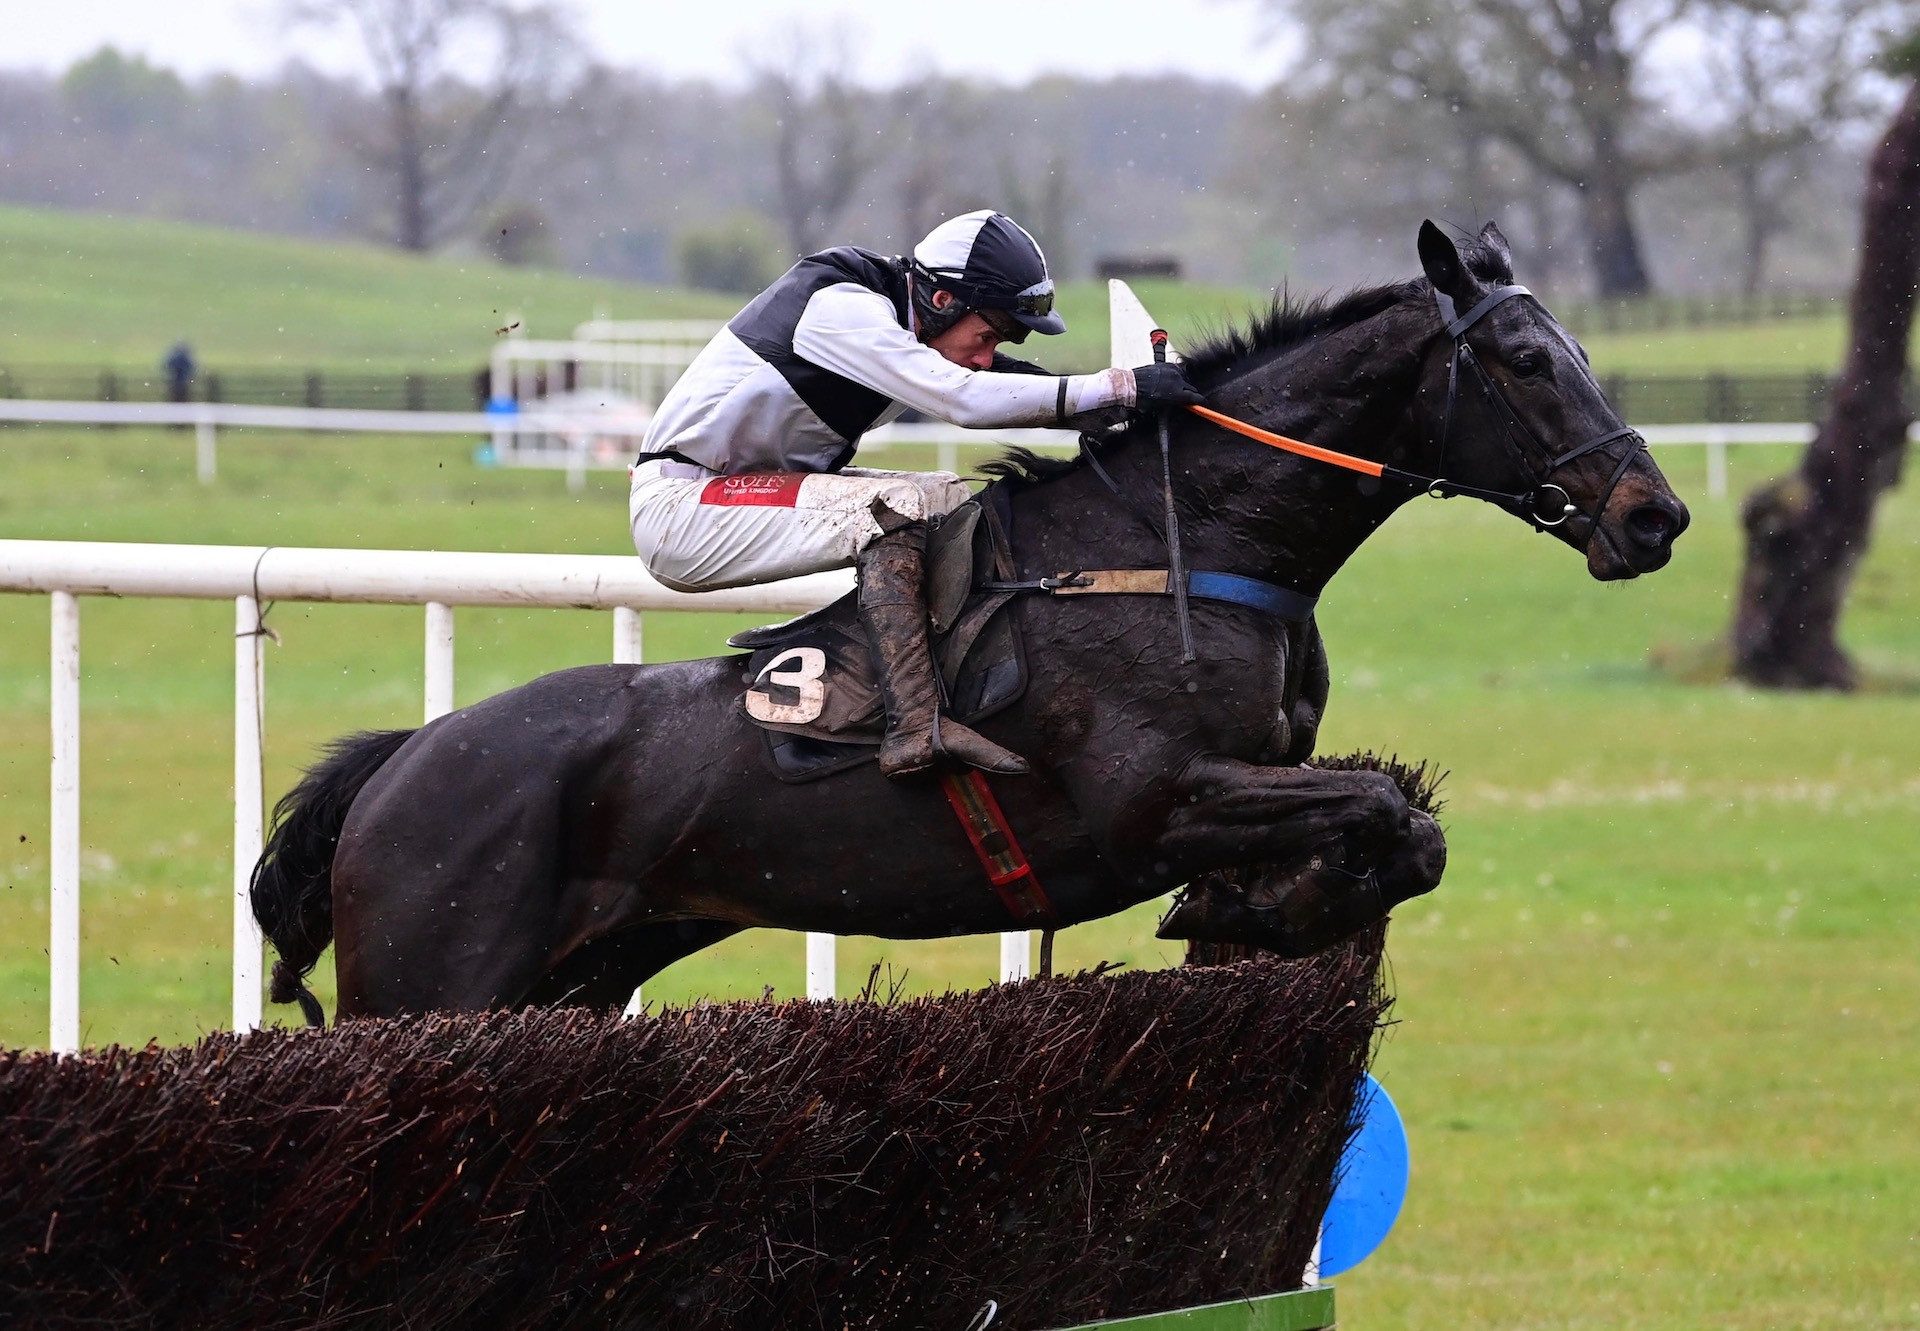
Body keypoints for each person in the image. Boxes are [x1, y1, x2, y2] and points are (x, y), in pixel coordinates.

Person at [629, 210, 1203, 779]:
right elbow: (962, 397)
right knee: (897, 510)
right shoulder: (840, 308)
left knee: (950, 500)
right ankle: (912, 725)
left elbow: (989, 377)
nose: (985, 354)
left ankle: (925, 679)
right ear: (941, 301)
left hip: (740, 490)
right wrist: (1120, 386)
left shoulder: (905, 322)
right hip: (684, 507)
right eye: (986, 335)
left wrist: (1100, 413)